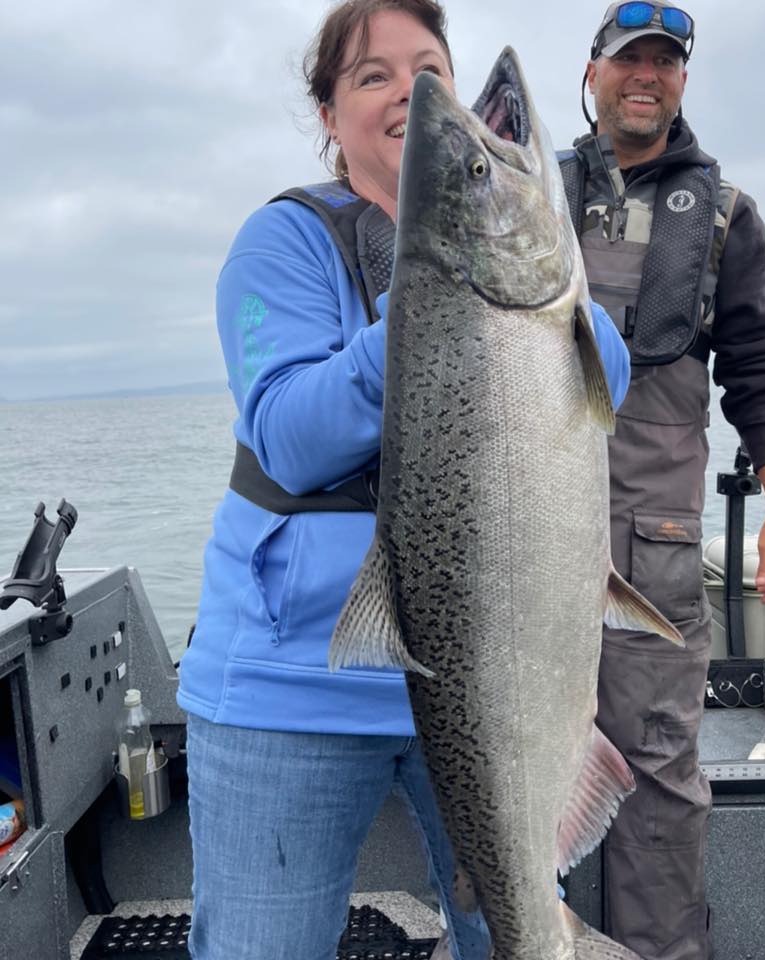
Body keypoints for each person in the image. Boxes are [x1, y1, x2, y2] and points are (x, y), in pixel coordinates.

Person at [176, 2, 632, 959]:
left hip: (493, 684)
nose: (412, 91)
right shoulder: (280, 245)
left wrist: (504, 292)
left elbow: (606, 383)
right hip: (287, 685)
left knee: (509, 923)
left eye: (431, 69)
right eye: (373, 75)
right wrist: (434, 313)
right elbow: (290, 439)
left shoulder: (528, 258)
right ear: (330, 117)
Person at [563, 4, 765, 959]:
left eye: (666, 62)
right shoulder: (530, 200)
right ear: (593, 73)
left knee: (660, 775)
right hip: (524, 535)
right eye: (631, 58)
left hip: (653, 552)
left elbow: (760, 362)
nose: (647, 76)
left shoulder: (726, 215)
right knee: (503, 751)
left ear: (681, 82)